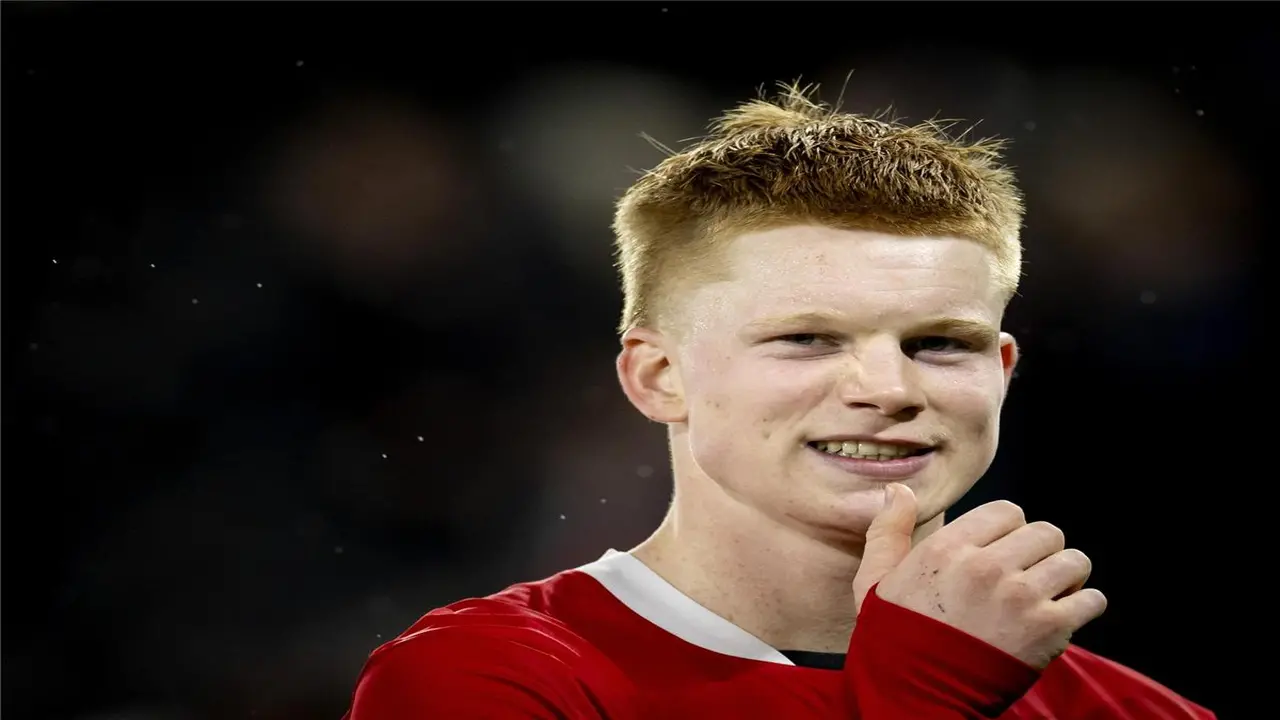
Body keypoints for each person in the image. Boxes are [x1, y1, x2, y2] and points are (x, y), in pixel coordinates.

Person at [343, 84, 1215, 719]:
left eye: (939, 343)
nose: (889, 389)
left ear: (1004, 368)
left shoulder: (1138, 714)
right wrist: (926, 701)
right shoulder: (484, 682)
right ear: (657, 377)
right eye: (808, 338)